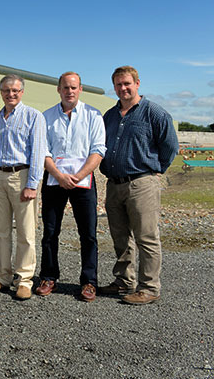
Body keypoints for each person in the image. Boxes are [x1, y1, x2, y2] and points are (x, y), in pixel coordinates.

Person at [99, 66, 178, 305]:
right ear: (114, 87)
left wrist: (154, 171)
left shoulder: (154, 113)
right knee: (120, 237)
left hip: (141, 183)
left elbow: (170, 147)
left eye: (127, 84)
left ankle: (150, 287)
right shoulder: (110, 116)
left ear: (137, 83)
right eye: (118, 85)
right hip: (114, 184)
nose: (123, 88)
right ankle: (124, 281)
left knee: (146, 237)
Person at [36, 72, 106, 302]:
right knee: (50, 232)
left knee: (88, 234)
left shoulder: (93, 115)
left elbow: (98, 150)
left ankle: (89, 282)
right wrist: (59, 175)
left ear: (80, 89)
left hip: (83, 181)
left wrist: (77, 176)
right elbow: (43, 152)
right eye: (65, 87)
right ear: (58, 89)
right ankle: (48, 277)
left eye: (74, 87)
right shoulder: (46, 117)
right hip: (55, 181)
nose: (70, 91)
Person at [0, 74, 47, 300]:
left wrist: (32, 184)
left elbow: (38, 153)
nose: (11, 94)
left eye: (15, 90)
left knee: (26, 232)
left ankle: (25, 279)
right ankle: (2, 276)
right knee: (0, 231)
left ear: (22, 92)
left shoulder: (34, 117)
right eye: (6, 90)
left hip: (22, 176)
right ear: (1, 92)